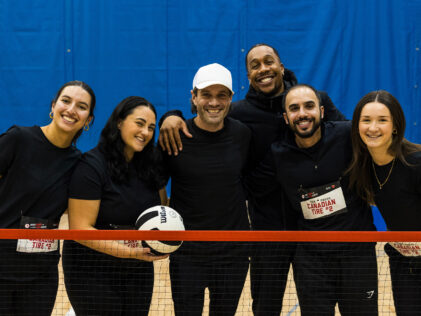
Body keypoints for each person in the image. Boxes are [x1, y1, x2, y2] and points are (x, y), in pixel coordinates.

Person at [159, 43, 346, 315]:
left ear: (281, 67)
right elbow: (204, 119)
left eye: (268, 62)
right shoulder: (238, 114)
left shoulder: (310, 102)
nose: (263, 69)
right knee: (265, 307)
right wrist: (171, 116)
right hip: (265, 229)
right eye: (254, 65)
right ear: (248, 76)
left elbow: (345, 136)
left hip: (315, 227)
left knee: (318, 306)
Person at [250, 84, 378, 315]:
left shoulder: (347, 135)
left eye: (308, 106)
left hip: (357, 256)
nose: (302, 113)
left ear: (321, 111)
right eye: (294, 108)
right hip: (312, 262)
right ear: (286, 118)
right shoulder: (277, 155)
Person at [62, 96, 168, 315]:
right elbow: (80, 230)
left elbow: (161, 210)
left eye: (150, 127)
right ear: (119, 122)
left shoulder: (150, 166)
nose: (145, 132)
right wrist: (130, 253)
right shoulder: (91, 166)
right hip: (92, 269)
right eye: (139, 123)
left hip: (137, 268)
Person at [0, 80, 95, 315]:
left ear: (88, 121)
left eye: (82, 107)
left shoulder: (79, 164)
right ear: (53, 107)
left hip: (40, 275)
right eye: (66, 101)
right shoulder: (18, 139)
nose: (72, 109)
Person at [164, 63, 250, 315]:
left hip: (233, 253)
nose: (214, 102)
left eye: (221, 95)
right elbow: (157, 182)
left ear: (231, 99)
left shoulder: (243, 135)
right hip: (187, 253)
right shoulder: (175, 135)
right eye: (206, 95)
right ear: (194, 97)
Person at [348, 90, 421, 316]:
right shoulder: (363, 167)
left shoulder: (416, 163)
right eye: (366, 120)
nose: (373, 128)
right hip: (402, 260)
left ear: (396, 126)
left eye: (382, 120)